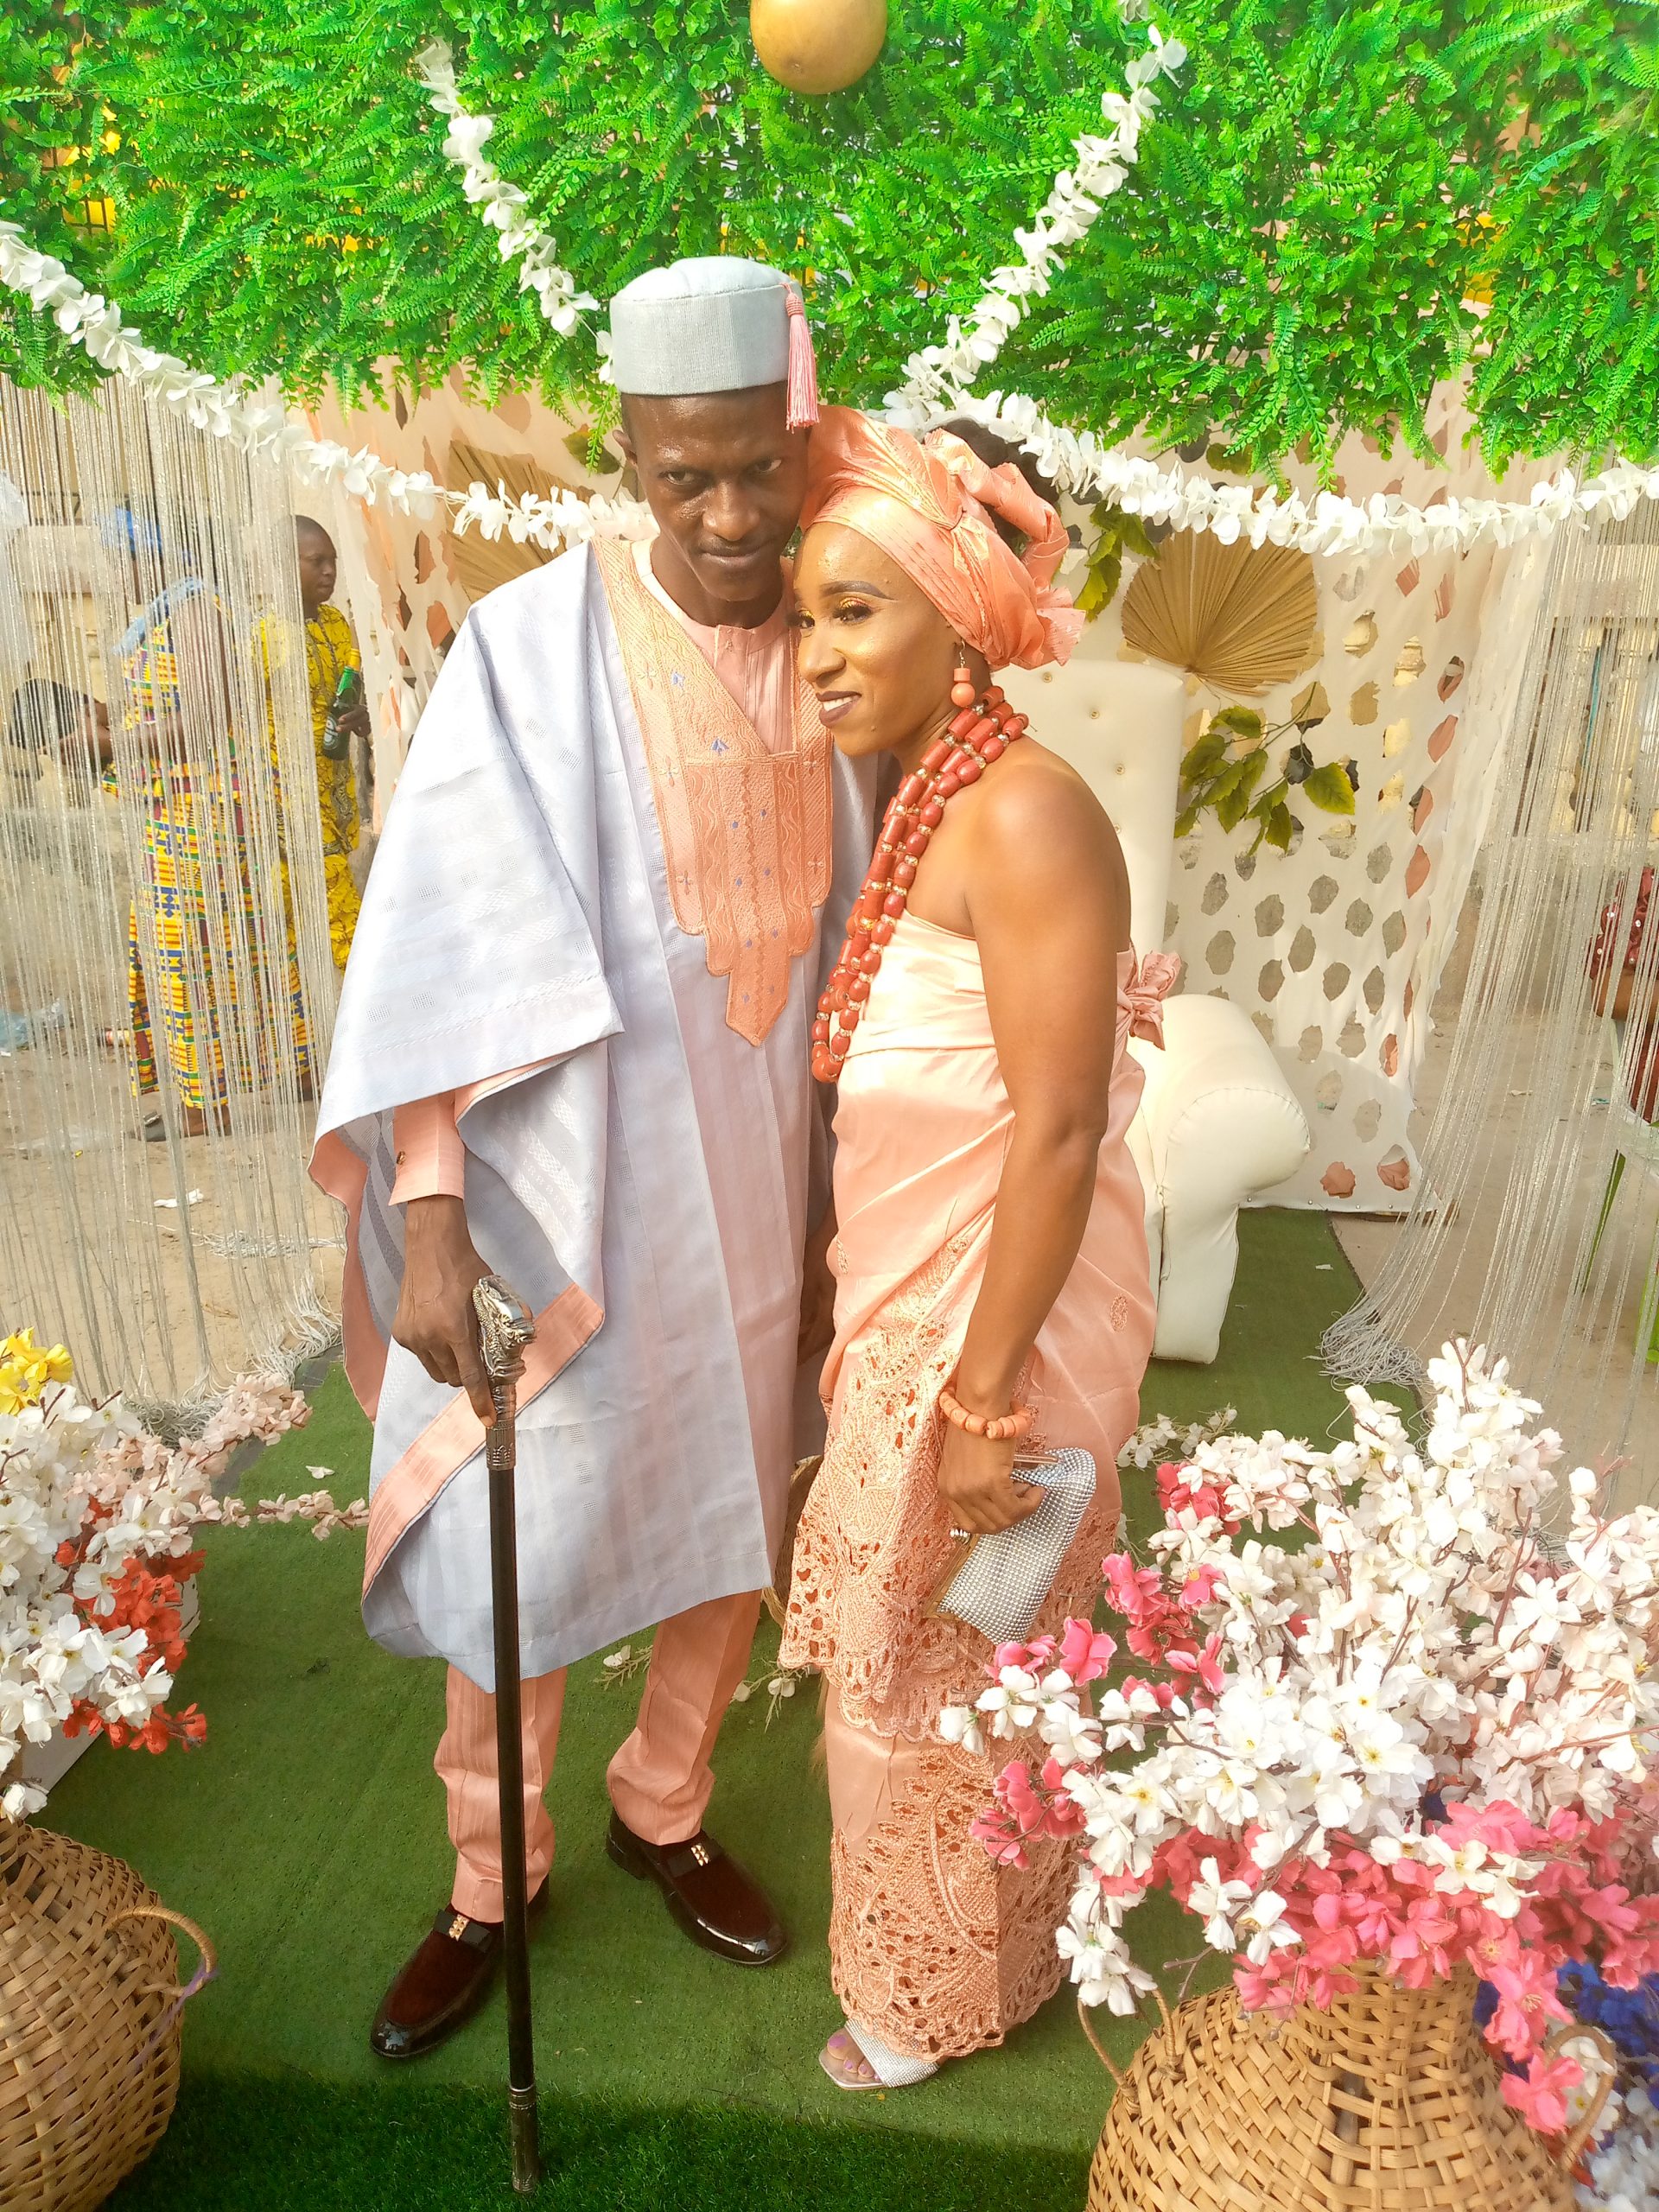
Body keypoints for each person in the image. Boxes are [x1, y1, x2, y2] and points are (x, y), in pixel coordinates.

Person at [309, 258, 876, 2061]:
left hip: (778, 1179)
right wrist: (428, 1219)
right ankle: (493, 1873)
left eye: (760, 469)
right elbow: (437, 952)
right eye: (684, 475)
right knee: (528, 1535)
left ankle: (664, 1802)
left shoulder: (856, 630)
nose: (730, 515)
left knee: (739, 1494)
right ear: (628, 455)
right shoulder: (527, 650)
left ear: (808, 442)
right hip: (566, 1191)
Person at [778, 410, 1175, 2088]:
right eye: (807, 615)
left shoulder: (1024, 816)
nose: (817, 653)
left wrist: (982, 1402)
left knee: (936, 1668)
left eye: (857, 609)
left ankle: (923, 1999)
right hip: (923, 1318)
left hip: (995, 1341)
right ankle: (971, 1957)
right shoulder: (933, 802)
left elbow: (1063, 1129)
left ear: (960, 623)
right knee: (942, 1663)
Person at [106, 508, 313, 1139]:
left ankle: (205, 1106)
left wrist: (114, 742)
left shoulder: (195, 613)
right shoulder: (166, 615)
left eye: (122, 556)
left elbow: (204, 717)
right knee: (231, 945)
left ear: (156, 555)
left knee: (192, 952)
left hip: (203, 814)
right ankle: (290, 1072)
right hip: (183, 810)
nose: (115, 572)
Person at [289, 517, 371, 967]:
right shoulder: (263, 633)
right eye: (316, 561)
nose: (329, 571)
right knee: (343, 926)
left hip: (335, 793)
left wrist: (362, 717)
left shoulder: (337, 624)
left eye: (333, 561)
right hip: (292, 802)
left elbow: (350, 691)